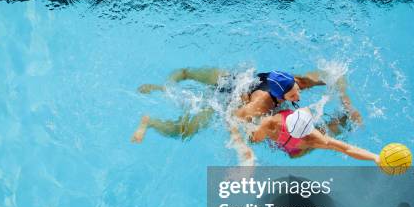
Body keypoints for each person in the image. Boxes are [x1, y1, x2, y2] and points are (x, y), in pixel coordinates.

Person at [131, 67, 361, 143]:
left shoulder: (296, 82)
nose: (298, 95)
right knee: (183, 132)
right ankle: (149, 120)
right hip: (227, 97)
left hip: (236, 78)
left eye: (297, 90)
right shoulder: (261, 104)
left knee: (189, 74)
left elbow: (334, 74)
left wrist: (348, 103)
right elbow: (235, 119)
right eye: (293, 95)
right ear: (280, 97)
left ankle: (163, 89)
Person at [232, 107, 379, 164]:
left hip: (282, 143)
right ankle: (346, 120)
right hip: (296, 151)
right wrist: (375, 157)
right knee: (336, 127)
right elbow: (347, 149)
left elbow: (253, 140)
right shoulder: (313, 139)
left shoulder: (270, 122)